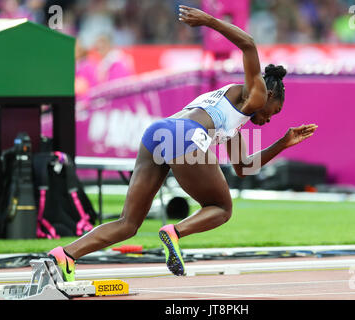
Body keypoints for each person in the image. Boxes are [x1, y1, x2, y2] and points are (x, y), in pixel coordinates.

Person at [48, 5, 318, 281]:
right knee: (222, 208)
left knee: (128, 224)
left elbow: (244, 167)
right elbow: (249, 45)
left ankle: (65, 255)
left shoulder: (234, 119)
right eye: (275, 111)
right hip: (186, 135)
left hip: (159, 132)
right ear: (270, 95)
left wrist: (282, 143)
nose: (270, 119)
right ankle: (174, 232)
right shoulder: (257, 94)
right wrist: (209, 20)